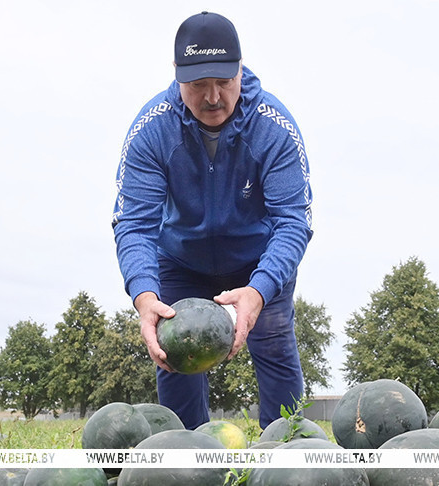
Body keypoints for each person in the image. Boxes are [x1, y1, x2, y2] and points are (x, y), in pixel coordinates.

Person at [111, 11, 313, 430]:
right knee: (176, 357)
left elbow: (293, 222)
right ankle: (186, 457)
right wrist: (145, 296)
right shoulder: (152, 131)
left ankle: (287, 449)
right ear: (176, 74)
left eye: (223, 81)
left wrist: (260, 290)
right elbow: (134, 226)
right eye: (198, 84)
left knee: (274, 344)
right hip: (181, 261)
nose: (213, 97)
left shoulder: (274, 129)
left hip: (257, 263)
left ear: (240, 68)